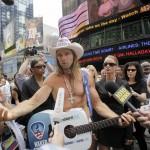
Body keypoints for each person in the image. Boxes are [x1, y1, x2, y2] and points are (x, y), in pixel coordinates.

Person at [0, 37, 135, 149]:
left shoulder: (86, 75)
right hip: (63, 132)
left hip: (86, 127)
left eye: (66, 54)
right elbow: (33, 102)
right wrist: (11, 113)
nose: (63, 58)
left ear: (74, 55)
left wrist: (117, 117)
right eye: (59, 55)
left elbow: (97, 104)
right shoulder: (52, 79)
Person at [94, 55, 133, 150]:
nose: (108, 66)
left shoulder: (123, 84)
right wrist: (94, 130)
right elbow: (95, 108)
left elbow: (128, 109)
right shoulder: (98, 85)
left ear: (117, 67)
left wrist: (129, 134)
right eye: (105, 64)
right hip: (103, 125)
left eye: (111, 64)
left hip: (120, 123)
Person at [124, 61, 148, 150]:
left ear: (137, 71)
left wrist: (134, 93)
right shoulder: (123, 82)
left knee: (140, 136)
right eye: (128, 70)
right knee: (128, 138)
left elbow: (143, 98)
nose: (130, 72)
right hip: (126, 113)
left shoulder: (142, 82)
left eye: (133, 70)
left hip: (138, 112)